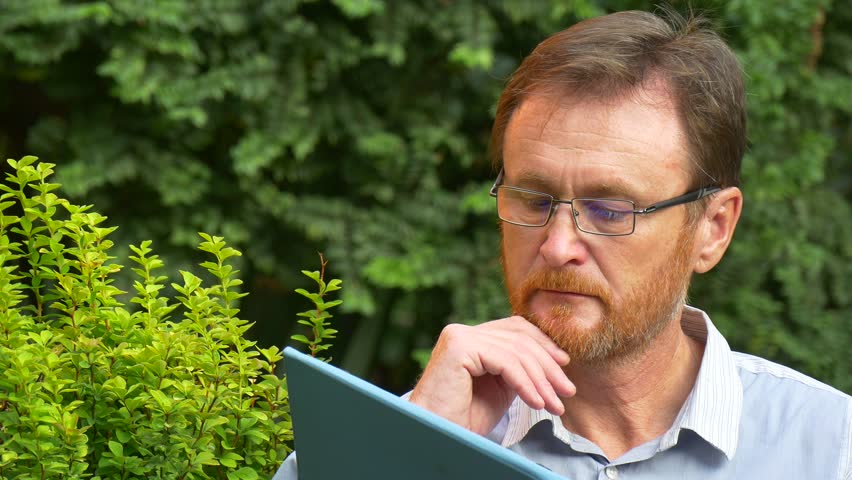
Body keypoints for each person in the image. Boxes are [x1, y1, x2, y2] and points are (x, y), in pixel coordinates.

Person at [274, 9, 852, 479]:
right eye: (533, 199)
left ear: (713, 228)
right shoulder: (389, 443)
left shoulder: (827, 448)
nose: (556, 246)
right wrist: (409, 451)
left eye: (610, 209)